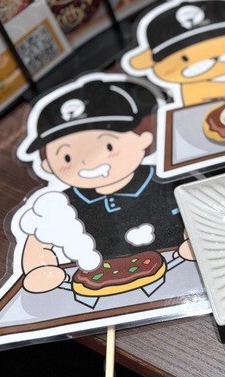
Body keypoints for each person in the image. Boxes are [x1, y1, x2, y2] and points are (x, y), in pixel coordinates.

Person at [18, 75, 194, 293]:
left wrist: (194, 239)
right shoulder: (60, 206)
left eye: (108, 147)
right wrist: (40, 269)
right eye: (67, 158)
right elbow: (39, 239)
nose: (86, 162)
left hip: (185, 278)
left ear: (145, 137)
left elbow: (199, 207)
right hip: (100, 296)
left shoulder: (166, 179)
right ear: (47, 165)